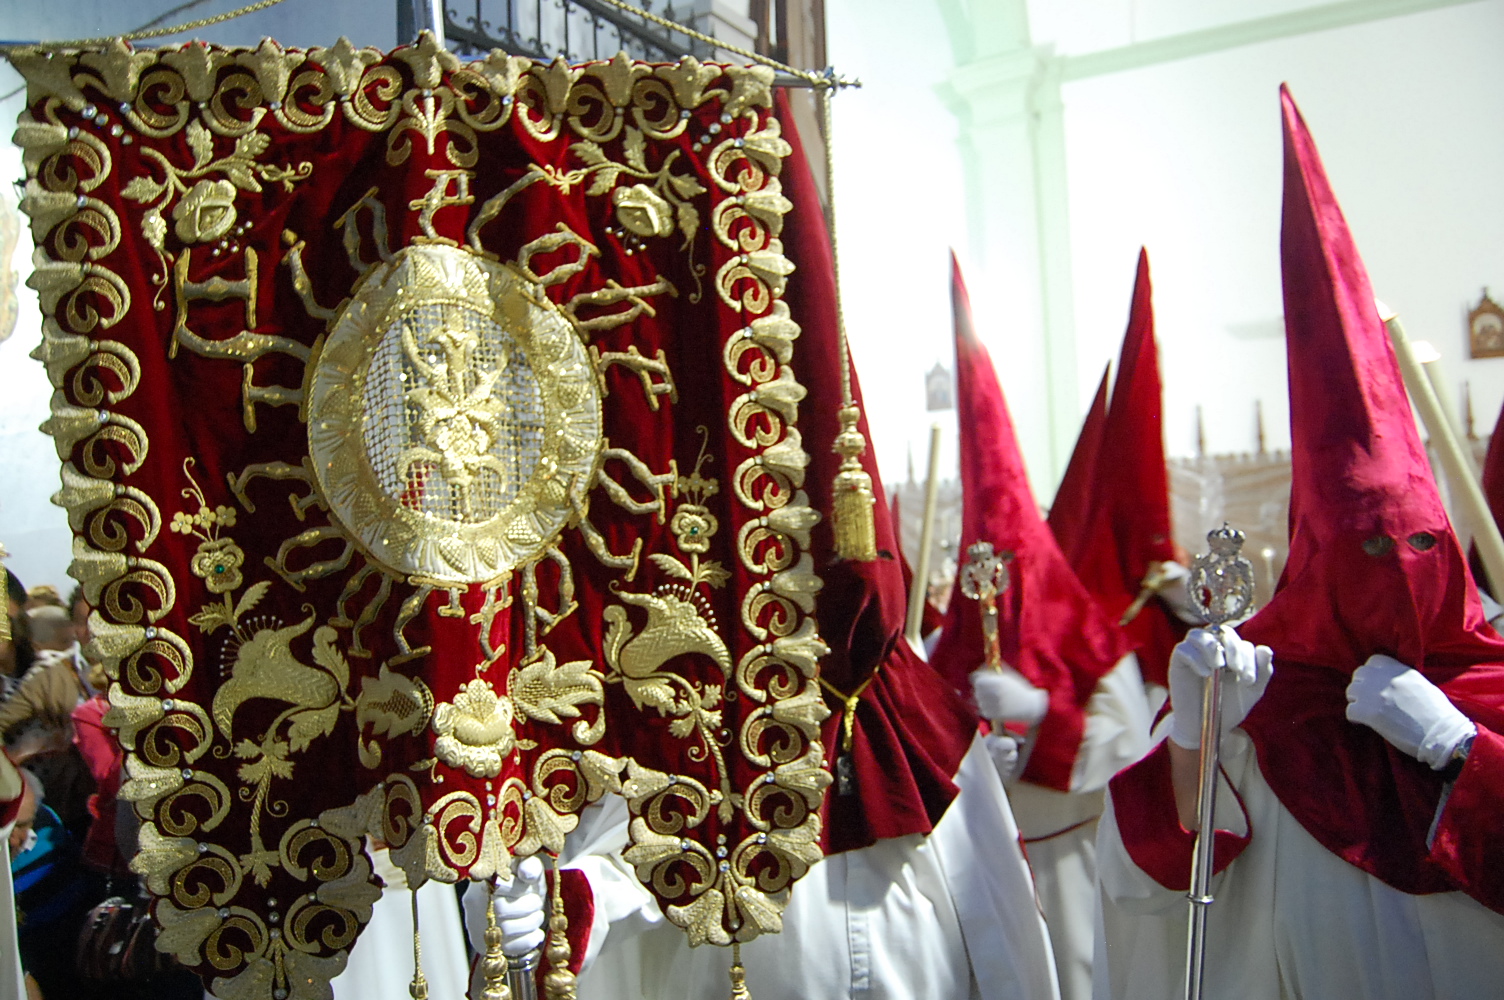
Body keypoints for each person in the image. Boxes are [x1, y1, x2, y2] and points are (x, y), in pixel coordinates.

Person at [461, 89, 1061, 1000]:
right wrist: (564, 903)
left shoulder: (917, 725)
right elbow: (629, 850)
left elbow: (1005, 937)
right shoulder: (695, 680)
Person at [1093, 86, 1504, 999]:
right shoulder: (1262, 697)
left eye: (1420, 546)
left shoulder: (1492, 690)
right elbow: (1153, 879)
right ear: (1314, 556)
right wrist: (1200, 732)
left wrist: (1460, 752)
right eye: (1364, 550)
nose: (1395, 575)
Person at [928, 254, 1152, 1000]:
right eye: (978, 572)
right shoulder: (943, 649)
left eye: (1008, 571)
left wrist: (1042, 718)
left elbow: (1131, 756)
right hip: (981, 877)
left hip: (1070, 865)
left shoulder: (1093, 644)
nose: (994, 593)